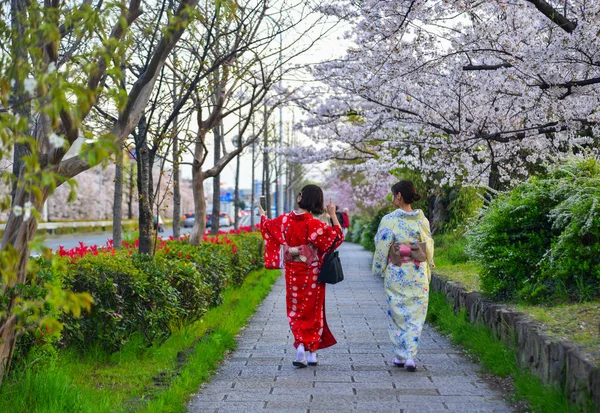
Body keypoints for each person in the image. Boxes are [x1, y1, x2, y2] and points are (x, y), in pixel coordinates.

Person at [259, 184, 344, 367]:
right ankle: (311, 352)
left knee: (295, 310)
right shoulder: (316, 224)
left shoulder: (284, 221)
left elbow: (267, 228)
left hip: (292, 274)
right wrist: (333, 215)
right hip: (312, 275)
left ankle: (301, 349)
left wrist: (263, 215)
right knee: (314, 311)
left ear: (300, 198)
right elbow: (337, 238)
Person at [372, 180, 434, 372]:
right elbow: (429, 245)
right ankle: (410, 355)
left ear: (398, 196)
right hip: (417, 271)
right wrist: (429, 266)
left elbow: (381, 245)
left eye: (393, 194)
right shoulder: (422, 220)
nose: (392, 198)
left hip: (397, 271)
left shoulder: (389, 220)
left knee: (397, 311)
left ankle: (401, 354)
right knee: (416, 312)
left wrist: (379, 267)